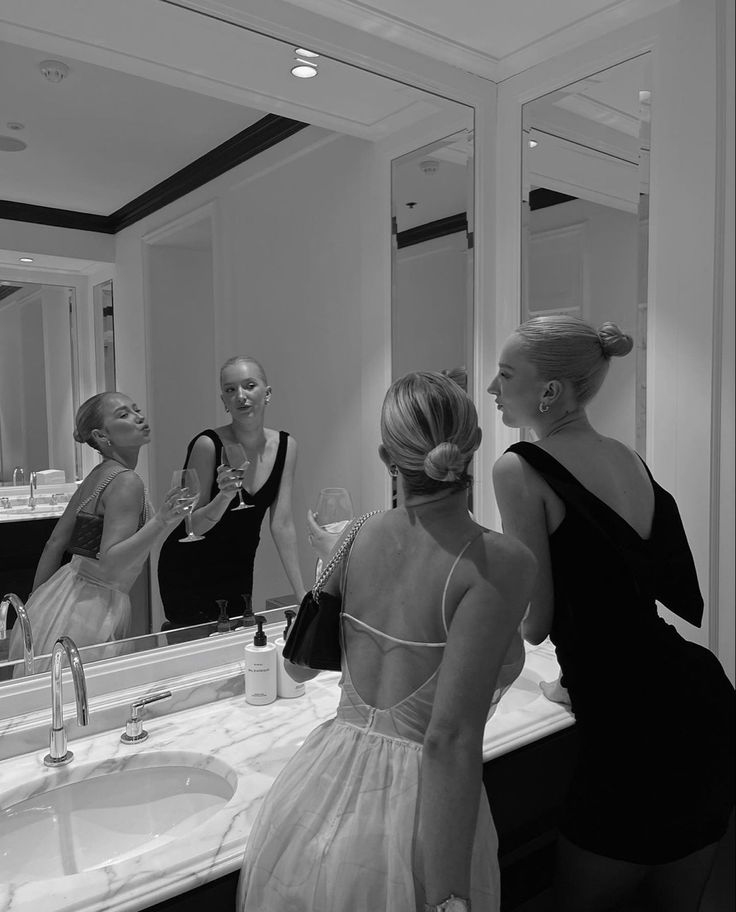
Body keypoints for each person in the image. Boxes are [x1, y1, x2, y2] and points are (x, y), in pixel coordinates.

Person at [237, 371, 535, 912]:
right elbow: (448, 740)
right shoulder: (499, 563)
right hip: (422, 813)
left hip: (318, 795)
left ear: (385, 457)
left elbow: (299, 668)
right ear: (471, 448)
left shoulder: (358, 534)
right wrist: (450, 899)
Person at [489, 314, 735, 912]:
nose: (493, 389)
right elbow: (617, 597)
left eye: (505, 374)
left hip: (632, 728)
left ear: (549, 392)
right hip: (700, 698)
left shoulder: (519, 467)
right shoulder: (628, 457)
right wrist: (570, 682)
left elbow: (537, 621)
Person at [7, 392, 186, 672]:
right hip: (94, 611)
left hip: (59, 597)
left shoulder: (98, 474)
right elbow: (112, 559)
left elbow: (55, 543)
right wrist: (162, 520)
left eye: (136, 409)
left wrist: (34, 611)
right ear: (102, 437)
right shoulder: (127, 481)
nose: (139, 417)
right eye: (124, 414)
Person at [157, 356, 305, 626]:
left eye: (250, 386)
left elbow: (282, 523)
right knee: (196, 659)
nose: (240, 396)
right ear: (224, 401)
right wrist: (224, 496)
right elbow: (192, 526)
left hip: (239, 569)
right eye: (230, 390)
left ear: (267, 393)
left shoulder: (286, 445)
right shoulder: (208, 445)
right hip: (189, 570)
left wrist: (301, 593)